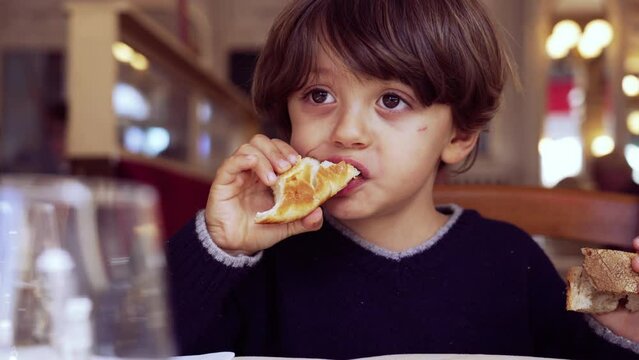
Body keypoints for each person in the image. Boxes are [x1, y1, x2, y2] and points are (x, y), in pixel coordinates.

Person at [167, 0, 639, 358]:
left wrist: (624, 335)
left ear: (459, 135)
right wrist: (220, 245)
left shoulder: (512, 262)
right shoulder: (258, 264)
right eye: (318, 94)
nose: (347, 132)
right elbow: (149, 343)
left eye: (392, 100)